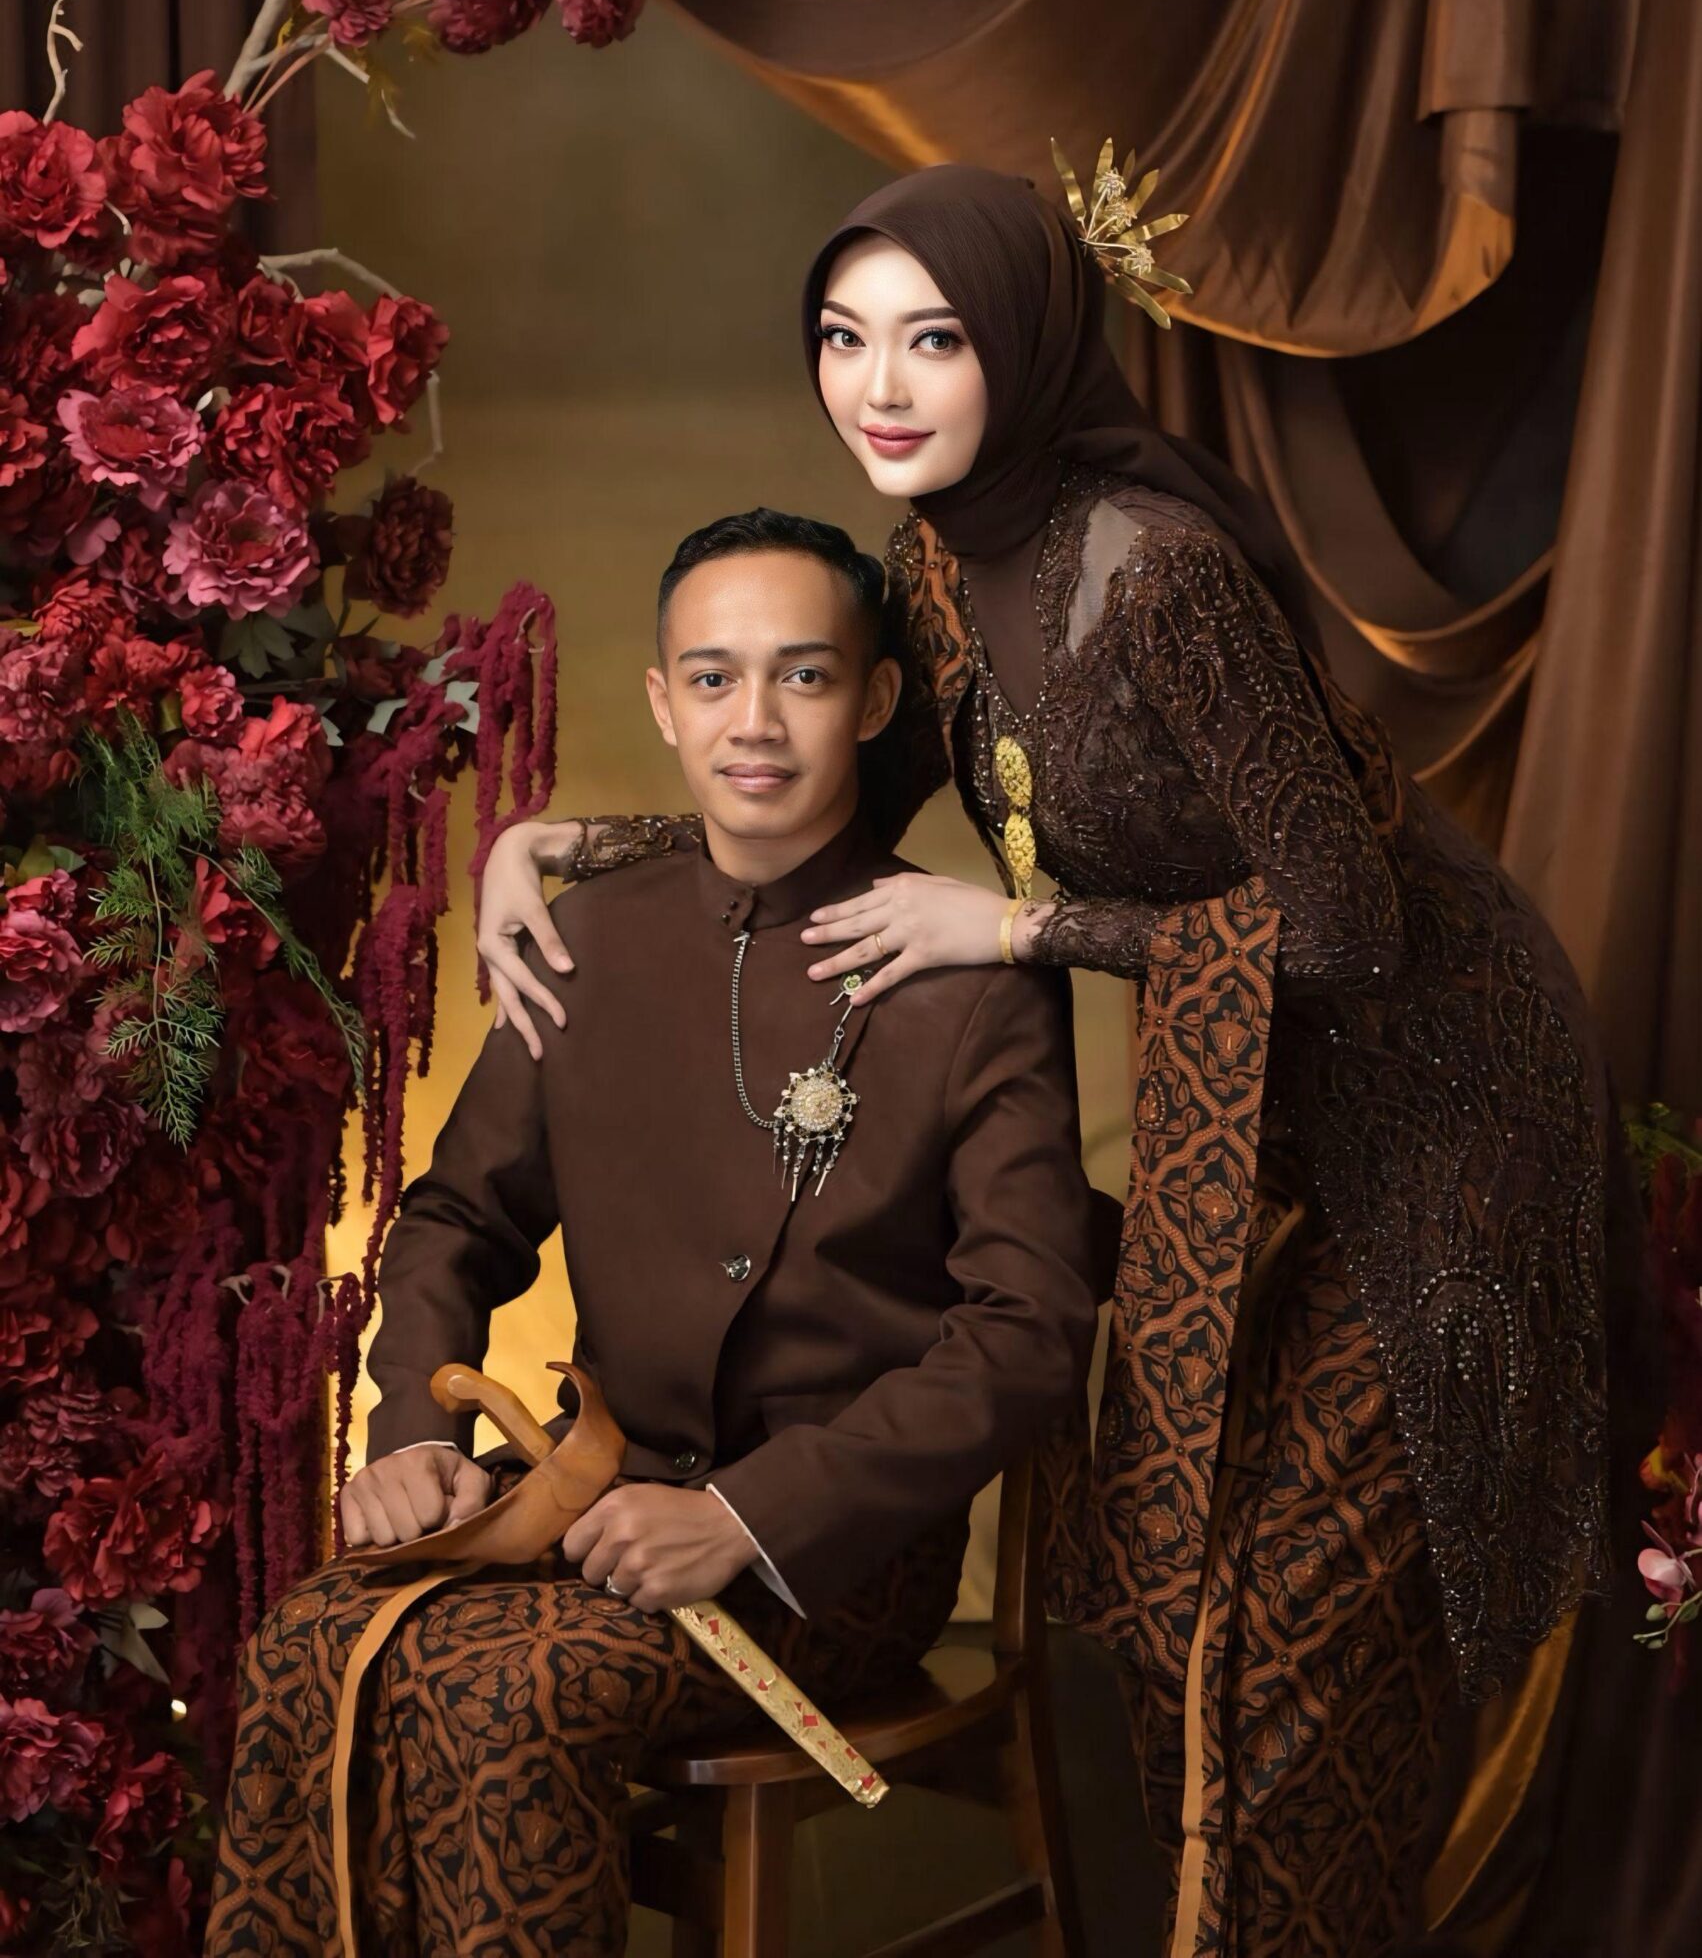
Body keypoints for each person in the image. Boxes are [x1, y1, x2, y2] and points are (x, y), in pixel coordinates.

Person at [477, 166, 1616, 1958]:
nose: (879, 386)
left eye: (931, 339)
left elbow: (1347, 927)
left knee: (1300, 1625)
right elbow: (825, 799)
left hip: (1453, 1110)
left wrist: (1020, 931)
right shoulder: (939, 564)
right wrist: (555, 844)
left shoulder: (1154, 573)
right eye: (843, 338)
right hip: (1256, 1119)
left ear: (1019, 343)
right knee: (1190, 1609)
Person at [206, 505, 1099, 1958]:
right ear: (663, 702)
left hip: (833, 1547)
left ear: (874, 700)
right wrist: (412, 1436)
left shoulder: (973, 970)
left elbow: (1029, 1331)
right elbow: (455, 1217)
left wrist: (747, 1518)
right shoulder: (595, 933)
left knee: (498, 1694)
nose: (756, 723)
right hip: (590, 1488)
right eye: (713, 677)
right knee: (312, 1643)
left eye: (804, 676)